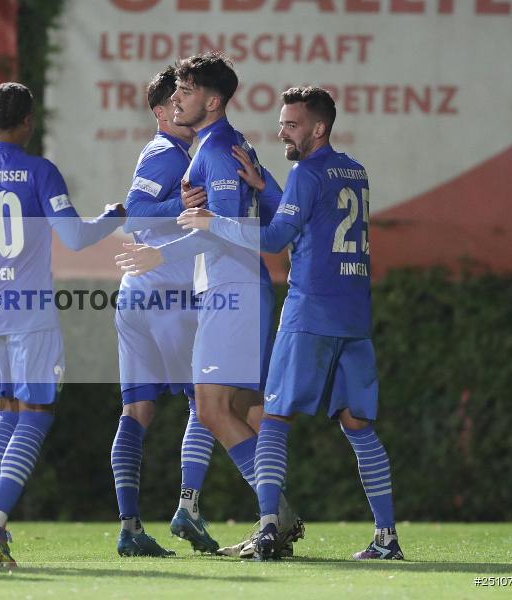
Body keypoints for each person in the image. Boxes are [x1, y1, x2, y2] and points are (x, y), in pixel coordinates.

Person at [176, 86, 403, 561]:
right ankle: (386, 539)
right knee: (358, 425)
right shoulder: (354, 172)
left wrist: (211, 222)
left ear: (318, 128)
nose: (282, 131)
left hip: (310, 312)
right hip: (354, 316)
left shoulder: (305, 171)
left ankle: (266, 530)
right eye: (281, 122)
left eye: (292, 124)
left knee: (275, 419)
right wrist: (267, 187)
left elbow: (278, 238)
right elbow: (309, 214)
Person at [0, 82, 124, 565]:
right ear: (29, 120)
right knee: (35, 415)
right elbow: (74, 238)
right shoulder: (40, 171)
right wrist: (113, 217)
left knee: (7, 411)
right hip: (29, 313)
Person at [115, 52, 304, 556]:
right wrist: (261, 189)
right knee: (244, 408)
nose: (175, 98)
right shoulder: (231, 145)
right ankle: (276, 514)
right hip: (238, 290)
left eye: (187, 91)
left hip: (232, 292)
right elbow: (277, 210)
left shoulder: (215, 150)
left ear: (213, 101)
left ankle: (272, 519)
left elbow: (219, 233)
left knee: (212, 407)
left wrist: (160, 252)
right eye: (177, 90)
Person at [111, 65, 221, 557]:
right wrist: (180, 205)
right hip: (167, 296)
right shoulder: (165, 152)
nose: (181, 106)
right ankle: (188, 507)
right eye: (174, 101)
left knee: (139, 409)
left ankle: (131, 527)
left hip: (136, 295)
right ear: (159, 111)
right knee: (207, 402)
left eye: (186, 97)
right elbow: (134, 213)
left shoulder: (174, 153)